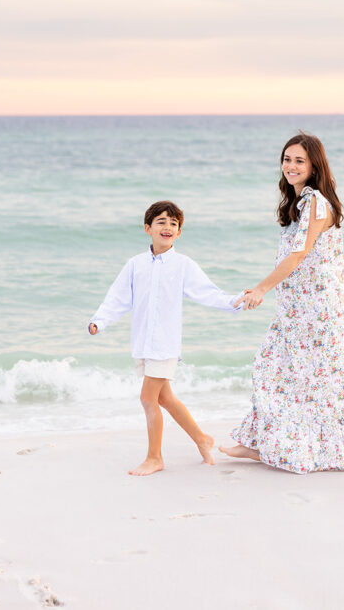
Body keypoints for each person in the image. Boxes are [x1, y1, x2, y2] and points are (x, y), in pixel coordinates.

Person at [219, 132, 344, 473]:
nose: (291, 166)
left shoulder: (315, 202)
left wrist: (261, 288)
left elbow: (299, 255)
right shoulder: (300, 203)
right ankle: (269, 445)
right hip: (299, 309)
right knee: (285, 373)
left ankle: (287, 448)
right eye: (287, 159)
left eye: (299, 160)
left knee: (293, 375)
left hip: (319, 313)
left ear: (314, 166)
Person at [88, 200, 240, 476]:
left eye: (173, 223)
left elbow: (208, 292)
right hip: (143, 343)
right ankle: (202, 438)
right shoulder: (135, 265)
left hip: (165, 344)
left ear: (179, 232)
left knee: (147, 398)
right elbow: (118, 298)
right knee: (165, 398)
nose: (167, 227)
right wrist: (100, 320)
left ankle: (155, 457)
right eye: (161, 222)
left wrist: (236, 302)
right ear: (148, 228)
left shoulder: (183, 265)